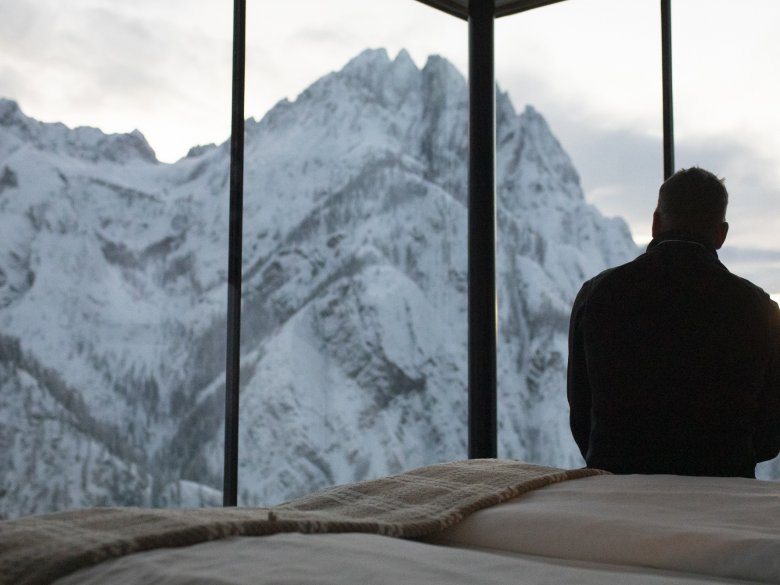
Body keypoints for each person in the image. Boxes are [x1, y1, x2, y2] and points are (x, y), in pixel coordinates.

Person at [567, 167, 780, 477]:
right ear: (721, 234)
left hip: (619, 485)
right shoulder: (761, 309)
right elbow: (771, 431)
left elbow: (582, 414)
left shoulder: (597, 294)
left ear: (656, 222)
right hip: (723, 484)